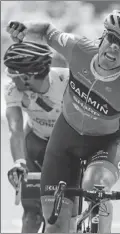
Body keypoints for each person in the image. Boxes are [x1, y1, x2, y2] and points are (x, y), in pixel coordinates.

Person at [6, 8, 120, 233]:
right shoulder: (78, 49)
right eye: (112, 38)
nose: (115, 46)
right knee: (55, 225)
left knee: (94, 184)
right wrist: (25, 28)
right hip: (65, 137)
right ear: (103, 37)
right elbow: (47, 31)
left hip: (105, 144)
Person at [3, 41, 70, 233]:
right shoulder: (13, 89)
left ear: (27, 76)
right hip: (36, 142)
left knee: (68, 207)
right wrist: (19, 162)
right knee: (32, 212)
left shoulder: (67, 81)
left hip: (69, 144)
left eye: (12, 74)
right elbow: (15, 129)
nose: (9, 78)